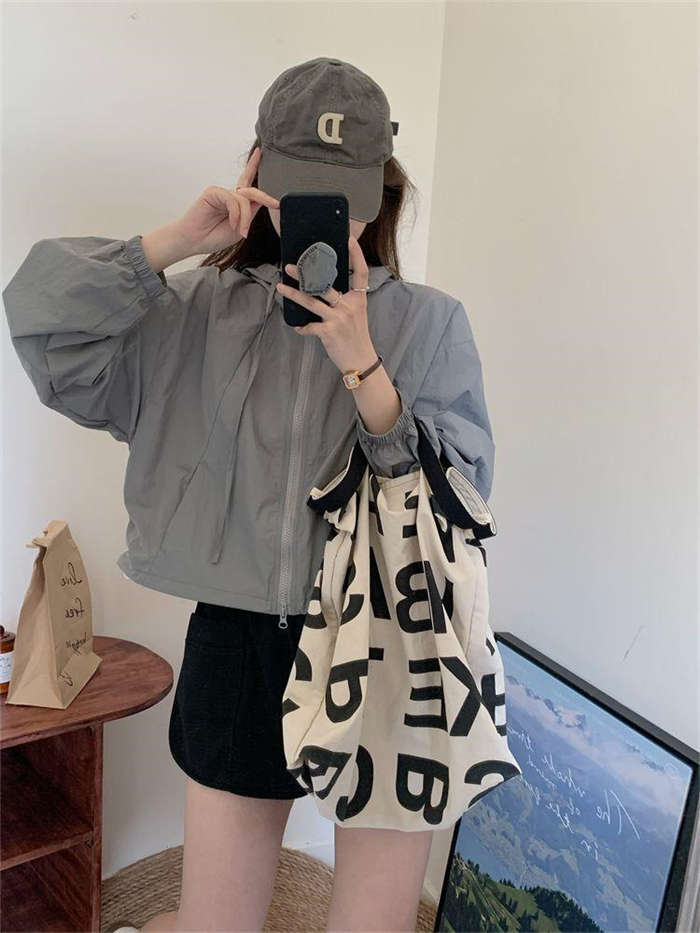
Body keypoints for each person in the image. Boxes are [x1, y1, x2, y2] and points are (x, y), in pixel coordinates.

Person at [2, 57, 496, 932]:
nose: (325, 211)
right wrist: (173, 242)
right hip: (237, 642)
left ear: (380, 191)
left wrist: (364, 366)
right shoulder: (193, 310)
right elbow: (41, 317)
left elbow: (459, 497)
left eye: (344, 194)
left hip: (389, 641)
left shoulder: (429, 322)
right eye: (300, 185)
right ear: (258, 170)